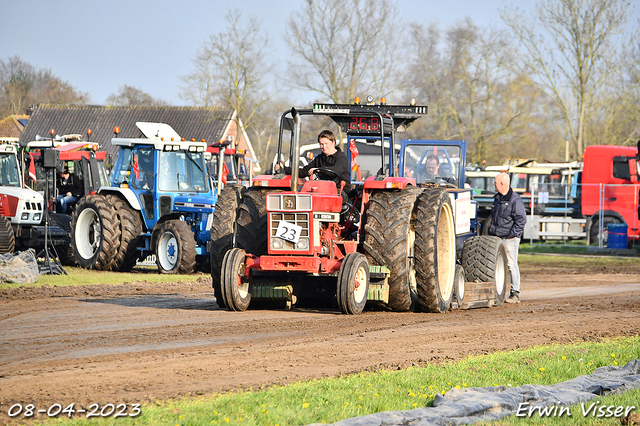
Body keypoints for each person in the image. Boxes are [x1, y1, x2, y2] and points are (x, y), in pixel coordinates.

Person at [275, 130, 351, 201]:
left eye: (326, 144)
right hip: (323, 189)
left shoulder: (341, 157)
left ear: (333, 142)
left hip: (340, 191)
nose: (324, 147)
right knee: (301, 192)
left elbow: (335, 170)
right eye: (321, 144)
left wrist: (318, 169)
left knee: (325, 196)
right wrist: (283, 168)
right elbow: (304, 172)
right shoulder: (319, 158)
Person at [488, 172, 527, 303]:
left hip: (509, 238)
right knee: (497, 265)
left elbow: (521, 220)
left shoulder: (515, 200)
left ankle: (515, 293)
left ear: (503, 184)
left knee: (511, 264)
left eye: (496, 182)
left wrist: (512, 234)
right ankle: (496, 292)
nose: (494, 184)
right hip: (496, 237)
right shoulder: (497, 198)